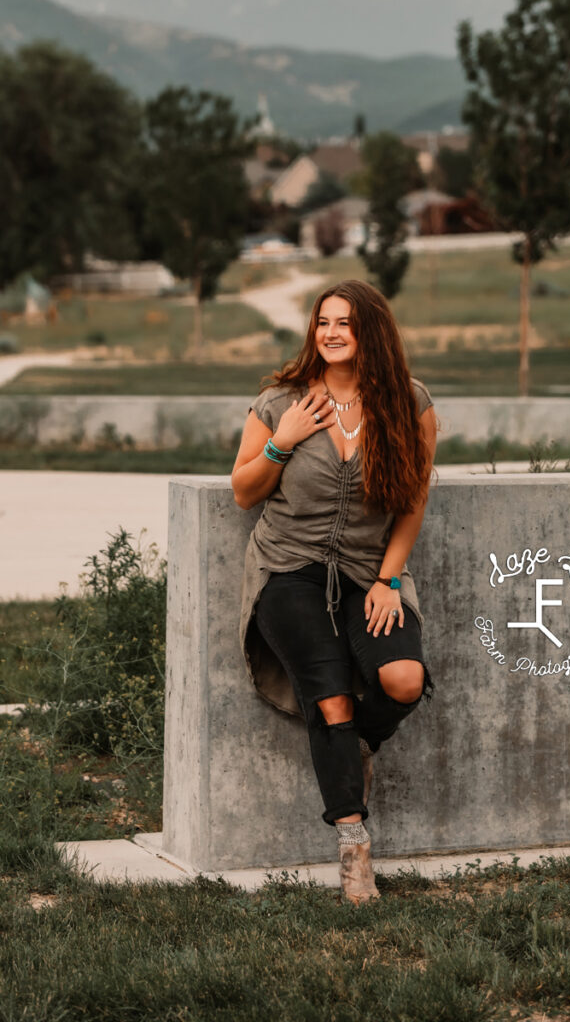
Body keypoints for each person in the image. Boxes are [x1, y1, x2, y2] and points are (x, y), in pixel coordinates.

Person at [233, 279, 437, 904]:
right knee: (330, 700)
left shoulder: (411, 403)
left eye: (345, 322)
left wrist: (389, 580)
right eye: (323, 321)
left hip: (368, 573)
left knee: (402, 678)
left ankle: (354, 748)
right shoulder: (279, 402)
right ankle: (354, 850)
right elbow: (244, 490)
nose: (330, 333)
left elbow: (412, 501)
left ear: (371, 330)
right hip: (287, 571)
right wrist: (283, 440)